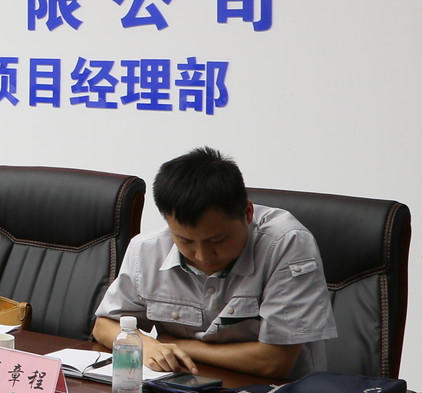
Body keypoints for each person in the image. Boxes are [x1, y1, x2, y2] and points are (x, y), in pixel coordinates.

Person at [92, 147, 337, 378]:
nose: (203, 256)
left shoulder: (287, 244)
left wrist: (177, 345)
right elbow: (104, 325)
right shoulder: (146, 249)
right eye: (186, 241)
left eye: (218, 240)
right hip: (182, 390)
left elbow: (274, 362)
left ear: (247, 213)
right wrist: (146, 344)